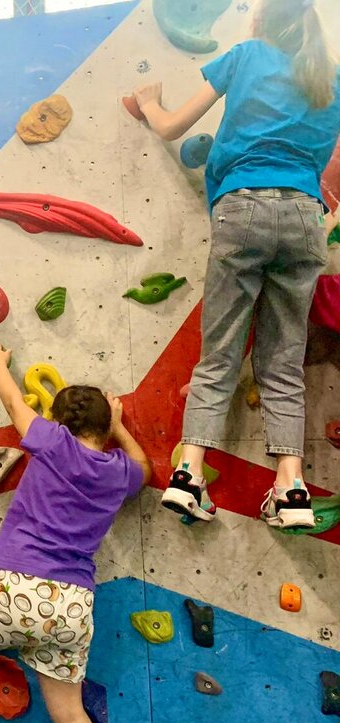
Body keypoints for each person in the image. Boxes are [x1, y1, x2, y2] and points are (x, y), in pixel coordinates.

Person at [132, 0, 340, 528]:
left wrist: (150, 103)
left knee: (219, 354)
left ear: (262, 20)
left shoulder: (245, 56)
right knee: (283, 358)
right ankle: (291, 488)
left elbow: (172, 127)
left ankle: (188, 475)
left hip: (242, 206)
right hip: (304, 215)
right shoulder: (331, 79)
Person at [0, 344, 150, 723]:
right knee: (70, 715)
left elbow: (14, 403)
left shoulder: (54, 443)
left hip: (22, 587)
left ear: (58, 421)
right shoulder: (118, 471)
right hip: (73, 607)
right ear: (103, 429)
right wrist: (120, 430)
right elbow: (144, 468)